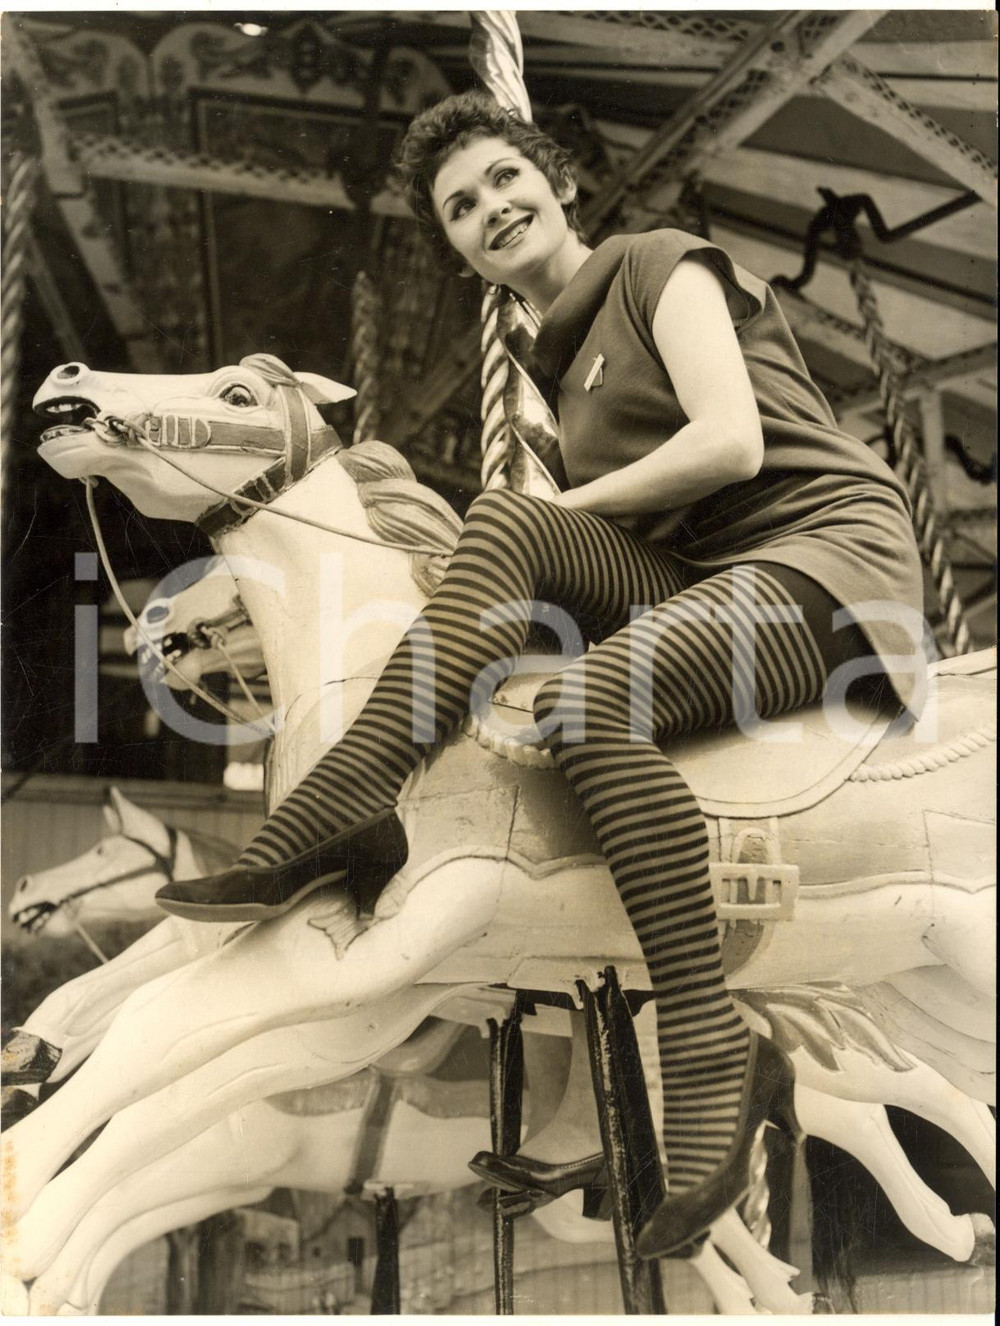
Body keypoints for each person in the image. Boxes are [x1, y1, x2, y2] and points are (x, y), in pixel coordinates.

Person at [157, 91, 926, 1256]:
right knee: (509, 534)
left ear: (557, 180)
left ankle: (708, 1036)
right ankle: (359, 797)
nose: (488, 210)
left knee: (573, 659)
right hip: (708, 574)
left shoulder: (658, 266)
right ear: (457, 246)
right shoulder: (554, 375)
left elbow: (731, 443)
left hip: (822, 557)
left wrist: (546, 514)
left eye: (504, 181)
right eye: (459, 207)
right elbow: (612, 541)